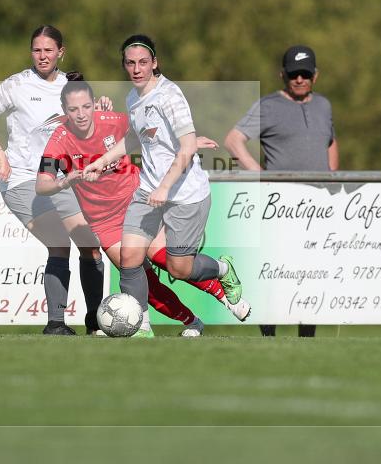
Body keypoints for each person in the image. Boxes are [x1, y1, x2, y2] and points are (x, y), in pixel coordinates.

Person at [36, 73, 252, 337]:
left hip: (135, 203)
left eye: (86, 107)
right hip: (104, 222)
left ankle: (223, 287)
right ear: (64, 111)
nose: (81, 114)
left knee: (168, 260)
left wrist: (191, 142)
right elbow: (41, 184)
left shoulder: (114, 121)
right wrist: (64, 180)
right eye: (73, 109)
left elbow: (154, 134)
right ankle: (187, 322)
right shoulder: (59, 139)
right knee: (140, 277)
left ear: (95, 104)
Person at [83, 35, 248, 323]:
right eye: (130, 63)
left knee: (179, 268)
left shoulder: (169, 96)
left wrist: (164, 187)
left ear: (154, 63)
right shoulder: (133, 97)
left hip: (186, 195)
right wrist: (101, 162)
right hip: (148, 191)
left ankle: (222, 270)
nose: (136, 69)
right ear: (124, 65)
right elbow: (135, 137)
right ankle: (139, 327)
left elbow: (186, 148)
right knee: (129, 259)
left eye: (143, 63)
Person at [0, 25, 108, 336]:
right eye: (37, 50)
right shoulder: (17, 85)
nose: (42, 55)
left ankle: (97, 324)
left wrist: (100, 110)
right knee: (59, 243)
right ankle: (56, 325)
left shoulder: (71, 86)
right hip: (21, 181)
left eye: (48, 50)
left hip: (59, 181)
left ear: (61, 51)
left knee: (91, 248)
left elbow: (89, 129)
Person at [224, 44, 339, 338]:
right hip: (280, 205)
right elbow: (234, 140)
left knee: (310, 272)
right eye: (293, 74)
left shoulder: (324, 106)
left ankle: (307, 337)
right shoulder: (268, 106)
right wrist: (259, 175)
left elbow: (330, 142)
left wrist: (333, 180)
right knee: (275, 272)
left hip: (317, 206)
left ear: (315, 75)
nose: (299, 79)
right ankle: (268, 335)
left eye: (305, 73)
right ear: (282, 75)